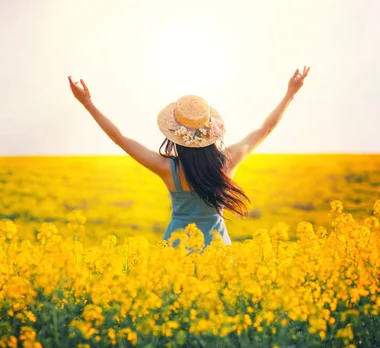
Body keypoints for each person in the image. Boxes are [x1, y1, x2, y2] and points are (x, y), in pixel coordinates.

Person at [68, 66, 310, 248]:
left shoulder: (166, 167)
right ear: (211, 131)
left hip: (176, 248)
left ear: (174, 134)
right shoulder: (228, 161)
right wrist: (291, 93)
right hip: (217, 248)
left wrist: (87, 103)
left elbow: (120, 137)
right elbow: (265, 129)